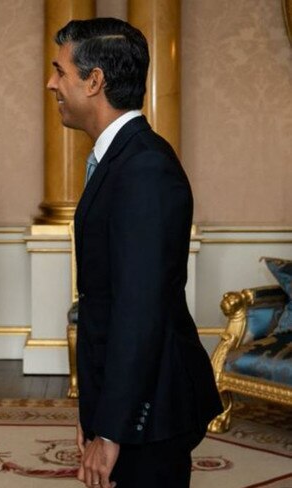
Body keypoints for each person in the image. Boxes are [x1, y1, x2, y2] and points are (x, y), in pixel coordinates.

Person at [47, 18, 222, 488]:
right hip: (134, 398)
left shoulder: (143, 167)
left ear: (95, 80)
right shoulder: (121, 157)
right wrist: (96, 409)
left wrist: (115, 426)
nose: (51, 84)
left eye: (60, 71)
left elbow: (139, 309)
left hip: (154, 406)